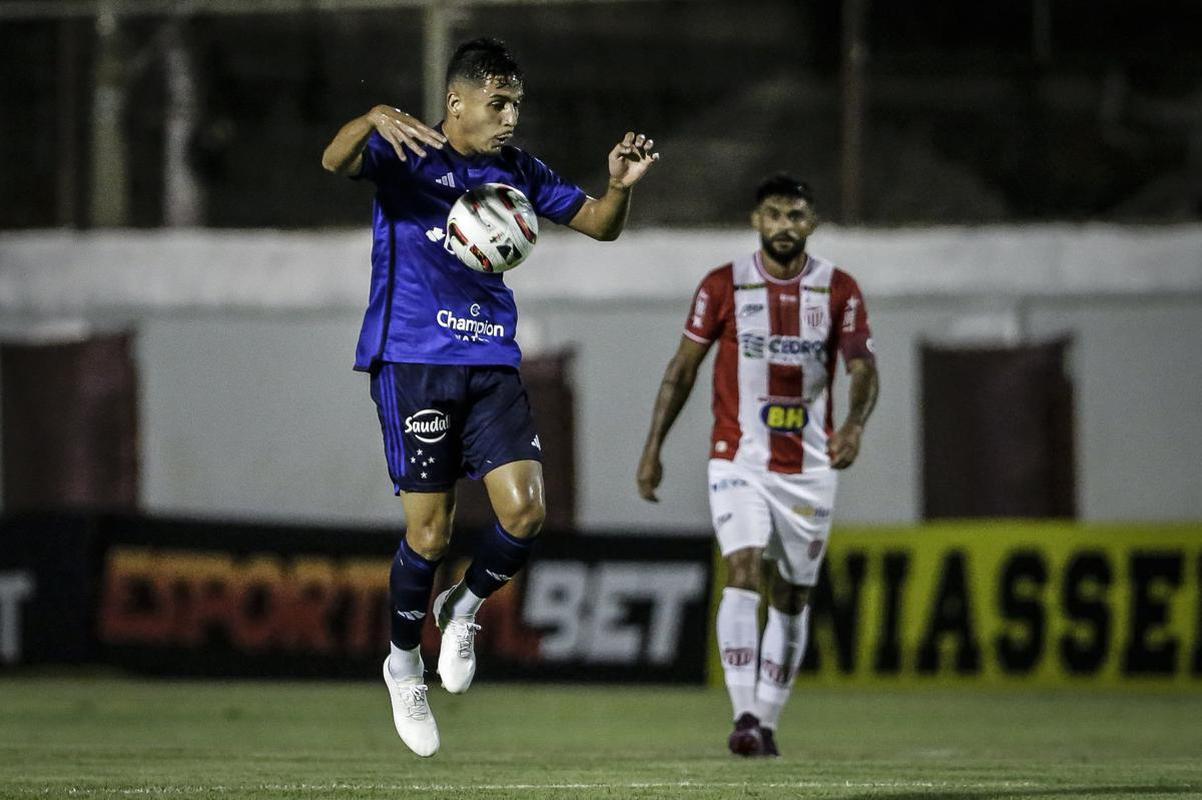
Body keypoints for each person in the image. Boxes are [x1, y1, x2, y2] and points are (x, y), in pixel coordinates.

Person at [321, 38, 658, 757]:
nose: (509, 116)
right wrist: (372, 116)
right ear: (458, 102)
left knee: (528, 511)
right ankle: (404, 664)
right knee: (431, 535)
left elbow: (597, 222)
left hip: (490, 360)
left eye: (515, 105)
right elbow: (334, 161)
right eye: (498, 103)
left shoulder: (517, 171)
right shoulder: (406, 153)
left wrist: (621, 185)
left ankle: (463, 606)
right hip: (412, 361)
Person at [636, 174, 878, 758]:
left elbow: (862, 368)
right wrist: (653, 449)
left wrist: (852, 425)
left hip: (809, 469)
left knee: (792, 597)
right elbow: (682, 369)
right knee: (741, 569)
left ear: (812, 223)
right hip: (738, 458)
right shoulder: (723, 286)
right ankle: (743, 714)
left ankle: (766, 719)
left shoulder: (838, 289)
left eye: (796, 216)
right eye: (773, 214)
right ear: (755, 220)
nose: (784, 226)